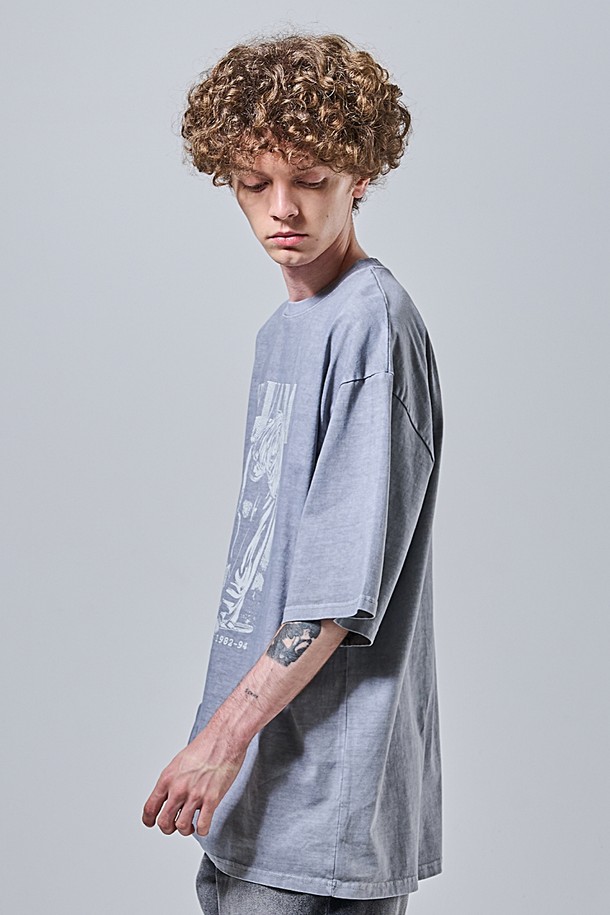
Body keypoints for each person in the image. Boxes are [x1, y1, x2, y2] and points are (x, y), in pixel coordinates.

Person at [142, 32, 444, 915]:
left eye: (310, 178)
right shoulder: (287, 332)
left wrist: (220, 741)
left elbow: (334, 594)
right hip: (256, 796)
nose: (283, 209)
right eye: (254, 182)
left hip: (323, 804)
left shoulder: (370, 326)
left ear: (361, 174)